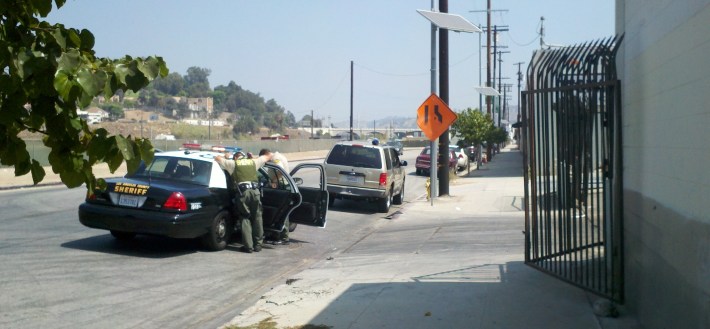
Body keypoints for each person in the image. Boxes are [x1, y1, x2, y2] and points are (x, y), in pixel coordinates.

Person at [215, 151, 273, 253]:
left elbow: (217, 158)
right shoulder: (253, 162)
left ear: (236, 158)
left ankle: (248, 247)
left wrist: (226, 156)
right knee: (257, 218)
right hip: (255, 192)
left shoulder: (233, 164)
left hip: (243, 193)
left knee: (245, 218)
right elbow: (269, 156)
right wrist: (253, 157)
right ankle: (258, 245)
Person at [259, 149, 291, 245]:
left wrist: (273, 180)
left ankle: (284, 237)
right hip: (281, 186)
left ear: (266, 155)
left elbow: (280, 171)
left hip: (281, 187)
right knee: (279, 211)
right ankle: (276, 234)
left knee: (282, 212)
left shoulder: (276, 159)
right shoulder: (277, 156)